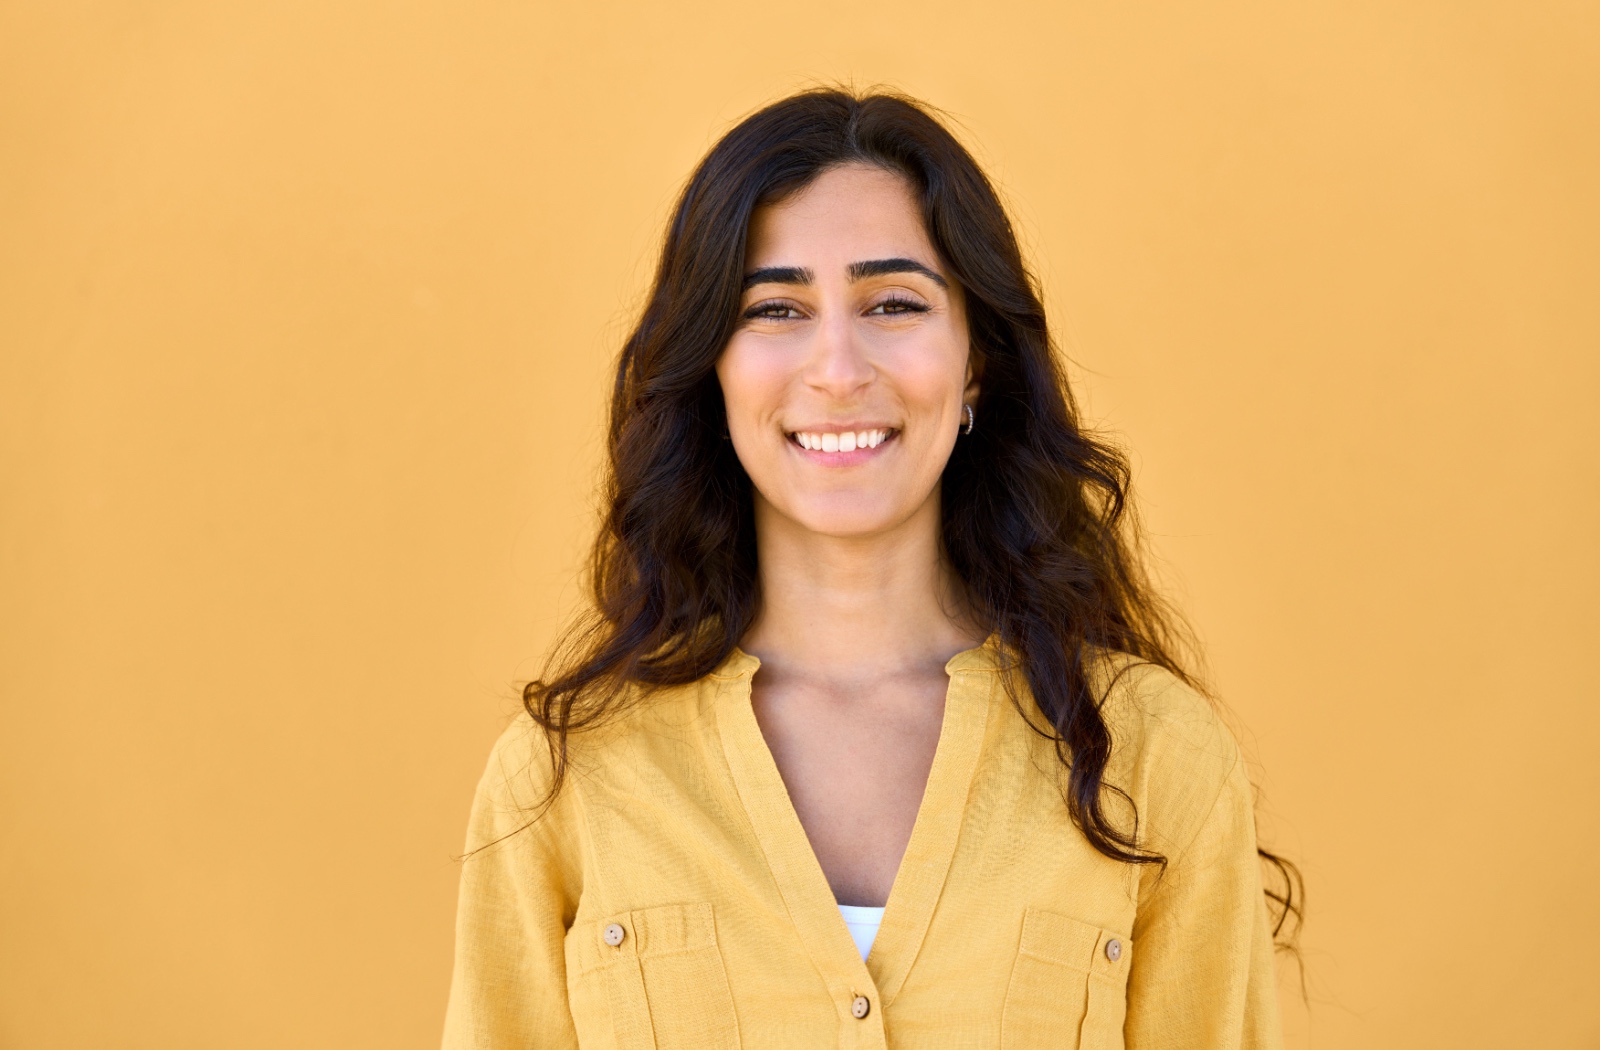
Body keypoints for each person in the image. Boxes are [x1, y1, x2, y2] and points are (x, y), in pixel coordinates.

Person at [442, 88, 1293, 1049]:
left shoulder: (1153, 754)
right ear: (712, 367)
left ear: (975, 361)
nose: (838, 367)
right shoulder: (565, 776)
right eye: (776, 309)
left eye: (894, 303)